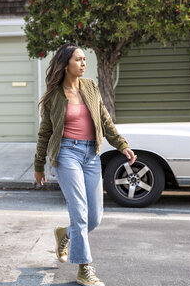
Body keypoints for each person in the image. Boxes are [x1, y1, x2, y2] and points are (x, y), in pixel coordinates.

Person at [34, 43, 136, 286]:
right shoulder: (54, 95)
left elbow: (104, 119)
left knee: (94, 218)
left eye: (84, 60)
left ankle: (65, 234)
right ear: (65, 63)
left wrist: (122, 145)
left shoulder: (90, 86)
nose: (83, 63)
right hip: (67, 153)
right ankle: (84, 268)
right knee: (79, 213)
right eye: (78, 60)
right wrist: (39, 164)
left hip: (91, 155)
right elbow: (45, 132)